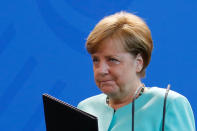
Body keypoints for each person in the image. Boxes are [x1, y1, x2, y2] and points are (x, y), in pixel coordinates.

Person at [77, 11, 195, 131]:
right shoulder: (85, 108)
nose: (101, 70)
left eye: (112, 60)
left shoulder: (168, 105)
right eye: (96, 60)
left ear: (138, 63)